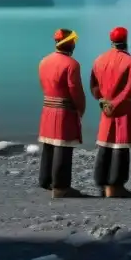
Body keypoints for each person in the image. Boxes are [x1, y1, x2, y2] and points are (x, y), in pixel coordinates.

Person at [90, 26, 131, 198]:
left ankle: (101, 183)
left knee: (104, 144)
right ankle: (116, 185)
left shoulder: (99, 60)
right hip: (122, 110)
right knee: (120, 145)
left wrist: (103, 101)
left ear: (111, 41)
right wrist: (116, 103)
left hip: (105, 110)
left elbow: (94, 86)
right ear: (126, 40)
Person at [37, 28, 86, 198]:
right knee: (63, 148)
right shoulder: (72, 64)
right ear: (70, 43)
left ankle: (45, 180)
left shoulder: (44, 61)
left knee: (49, 146)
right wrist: (81, 108)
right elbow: (75, 91)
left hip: (48, 107)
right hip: (64, 110)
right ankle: (61, 186)